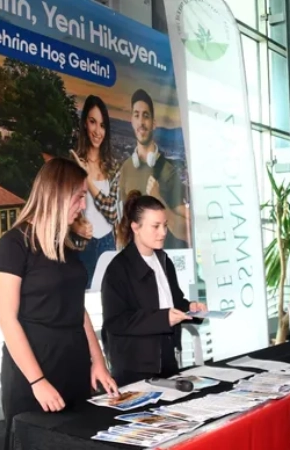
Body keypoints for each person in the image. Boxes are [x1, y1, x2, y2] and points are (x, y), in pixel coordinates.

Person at [0, 158, 119, 450]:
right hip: (33, 375)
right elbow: (7, 319)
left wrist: (98, 362)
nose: (83, 205)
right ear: (58, 194)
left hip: (73, 370)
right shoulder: (14, 244)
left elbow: (78, 310)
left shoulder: (66, 247)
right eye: (79, 196)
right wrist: (37, 381)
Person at [100, 190, 207, 386]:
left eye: (165, 225)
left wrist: (191, 309)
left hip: (167, 360)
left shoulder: (165, 261)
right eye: (155, 226)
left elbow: (174, 303)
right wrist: (162, 318)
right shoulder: (118, 269)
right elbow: (116, 322)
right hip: (134, 368)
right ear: (136, 227)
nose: (163, 232)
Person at [117, 89, 189, 249]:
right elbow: (123, 223)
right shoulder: (126, 168)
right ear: (131, 121)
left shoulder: (168, 171)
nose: (141, 122)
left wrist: (159, 200)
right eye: (136, 115)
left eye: (146, 116)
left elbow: (186, 232)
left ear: (153, 123)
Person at [70, 95, 120, 288]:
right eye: (93, 122)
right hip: (82, 243)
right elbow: (62, 208)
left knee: (110, 297)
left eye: (102, 125)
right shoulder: (73, 161)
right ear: (84, 123)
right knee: (82, 298)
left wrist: (87, 178)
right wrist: (75, 227)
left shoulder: (113, 166)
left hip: (107, 242)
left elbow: (112, 212)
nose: (98, 131)